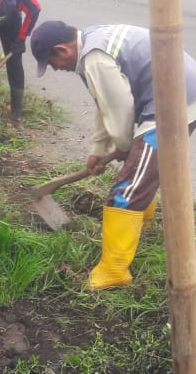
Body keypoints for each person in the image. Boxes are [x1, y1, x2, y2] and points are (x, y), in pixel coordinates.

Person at [30, 21, 196, 289]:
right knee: (141, 172)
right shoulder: (93, 44)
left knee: (125, 191)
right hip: (176, 95)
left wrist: (123, 144)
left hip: (170, 107)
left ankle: (114, 271)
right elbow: (104, 106)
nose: (56, 69)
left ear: (62, 49)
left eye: (52, 63)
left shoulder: (95, 58)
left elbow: (120, 108)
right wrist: (98, 150)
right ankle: (145, 227)